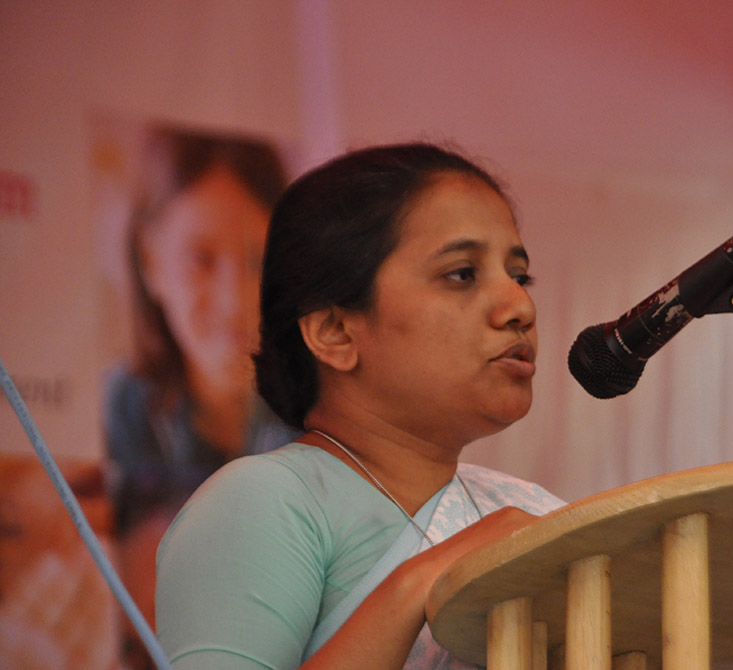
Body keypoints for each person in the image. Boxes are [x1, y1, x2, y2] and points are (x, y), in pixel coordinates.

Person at [154, 142, 564, 669]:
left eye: (519, 275)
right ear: (335, 332)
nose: (520, 307)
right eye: (462, 273)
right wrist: (423, 582)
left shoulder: (529, 511)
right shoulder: (265, 502)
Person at [102, 125, 297, 665]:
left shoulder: (323, 412)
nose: (235, 301)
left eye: (259, 261)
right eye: (201, 259)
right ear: (150, 260)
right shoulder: (118, 410)